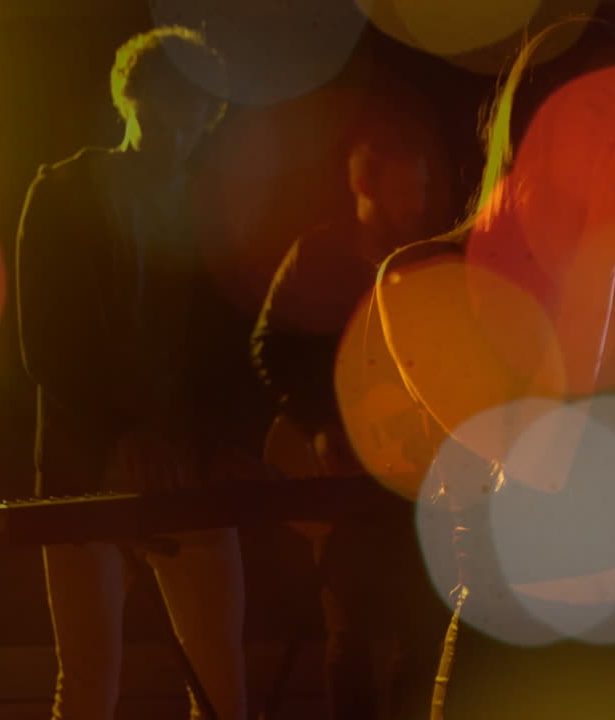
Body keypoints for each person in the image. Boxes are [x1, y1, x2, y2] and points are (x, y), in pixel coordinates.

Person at [374, 16, 615, 720]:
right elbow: (541, 458)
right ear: (535, 128)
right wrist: (596, 265)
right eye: (600, 110)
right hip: (513, 654)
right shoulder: (427, 278)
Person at [15, 26, 249, 719]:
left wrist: (198, 441)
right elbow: (46, 343)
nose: (180, 124)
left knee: (207, 681)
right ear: (130, 99)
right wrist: (133, 435)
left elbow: (225, 346)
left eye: (195, 109)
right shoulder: (63, 192)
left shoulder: (208, 209)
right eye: (167, 103)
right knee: (106, 680)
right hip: (93, 470)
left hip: (166, 464)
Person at [250, 104, 450, 719]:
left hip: (414, 475)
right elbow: (271, 347)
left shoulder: (424, 256)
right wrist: (319, 426)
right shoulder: (319, 256)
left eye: (419, 189)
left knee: (420, 630)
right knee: (354, 635)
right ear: (364, 184)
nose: (415, 203)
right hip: (349, 479)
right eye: (402, 189)